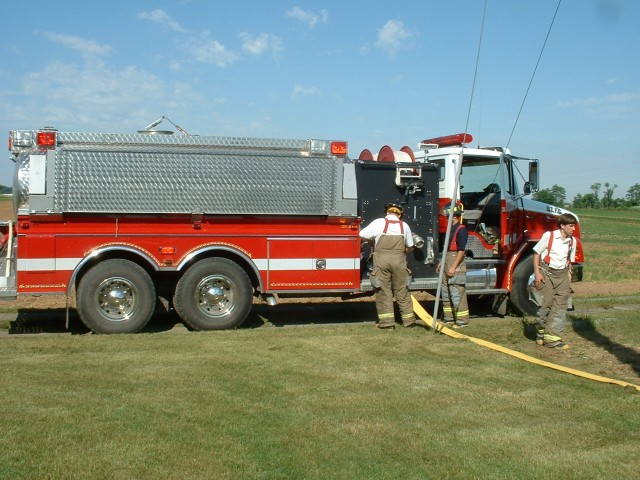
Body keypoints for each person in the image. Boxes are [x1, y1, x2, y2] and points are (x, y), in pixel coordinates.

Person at [360, 203, 422, 329]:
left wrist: (372, 242)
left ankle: (387, 324)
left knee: (383, 291)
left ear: (387, 213)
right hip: (399, 261)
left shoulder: (378, 222)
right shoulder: (404, 226)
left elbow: (361, 234)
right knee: (402, 291)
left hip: (381, 260)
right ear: (399, 215)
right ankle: (409, 322)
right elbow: (410, 246)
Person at [532, 213, 578, 349]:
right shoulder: (549, 236)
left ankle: (553, 340)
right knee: (545, 305)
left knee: (560, 307)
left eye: (574, 226)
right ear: (562, 226)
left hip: (563, 275)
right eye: (571, 226)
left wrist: (569, 272)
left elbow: (570, 259)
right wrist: (537, 273)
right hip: (547, 274)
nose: (573, 229)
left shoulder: (572, 241)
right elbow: (536, 253)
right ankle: (541, 333)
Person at [436, 204, 469, 328]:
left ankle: (462, 321)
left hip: (455, 262)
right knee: (446, 292)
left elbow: (461, 251)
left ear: (454, 216)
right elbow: (447, 249)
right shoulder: (451, 229)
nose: (445, 218)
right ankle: (449, 319)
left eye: (447, 216)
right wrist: (441, 262)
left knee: (456, 292)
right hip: (447, 260)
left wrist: (453, 267)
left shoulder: (461, 230)